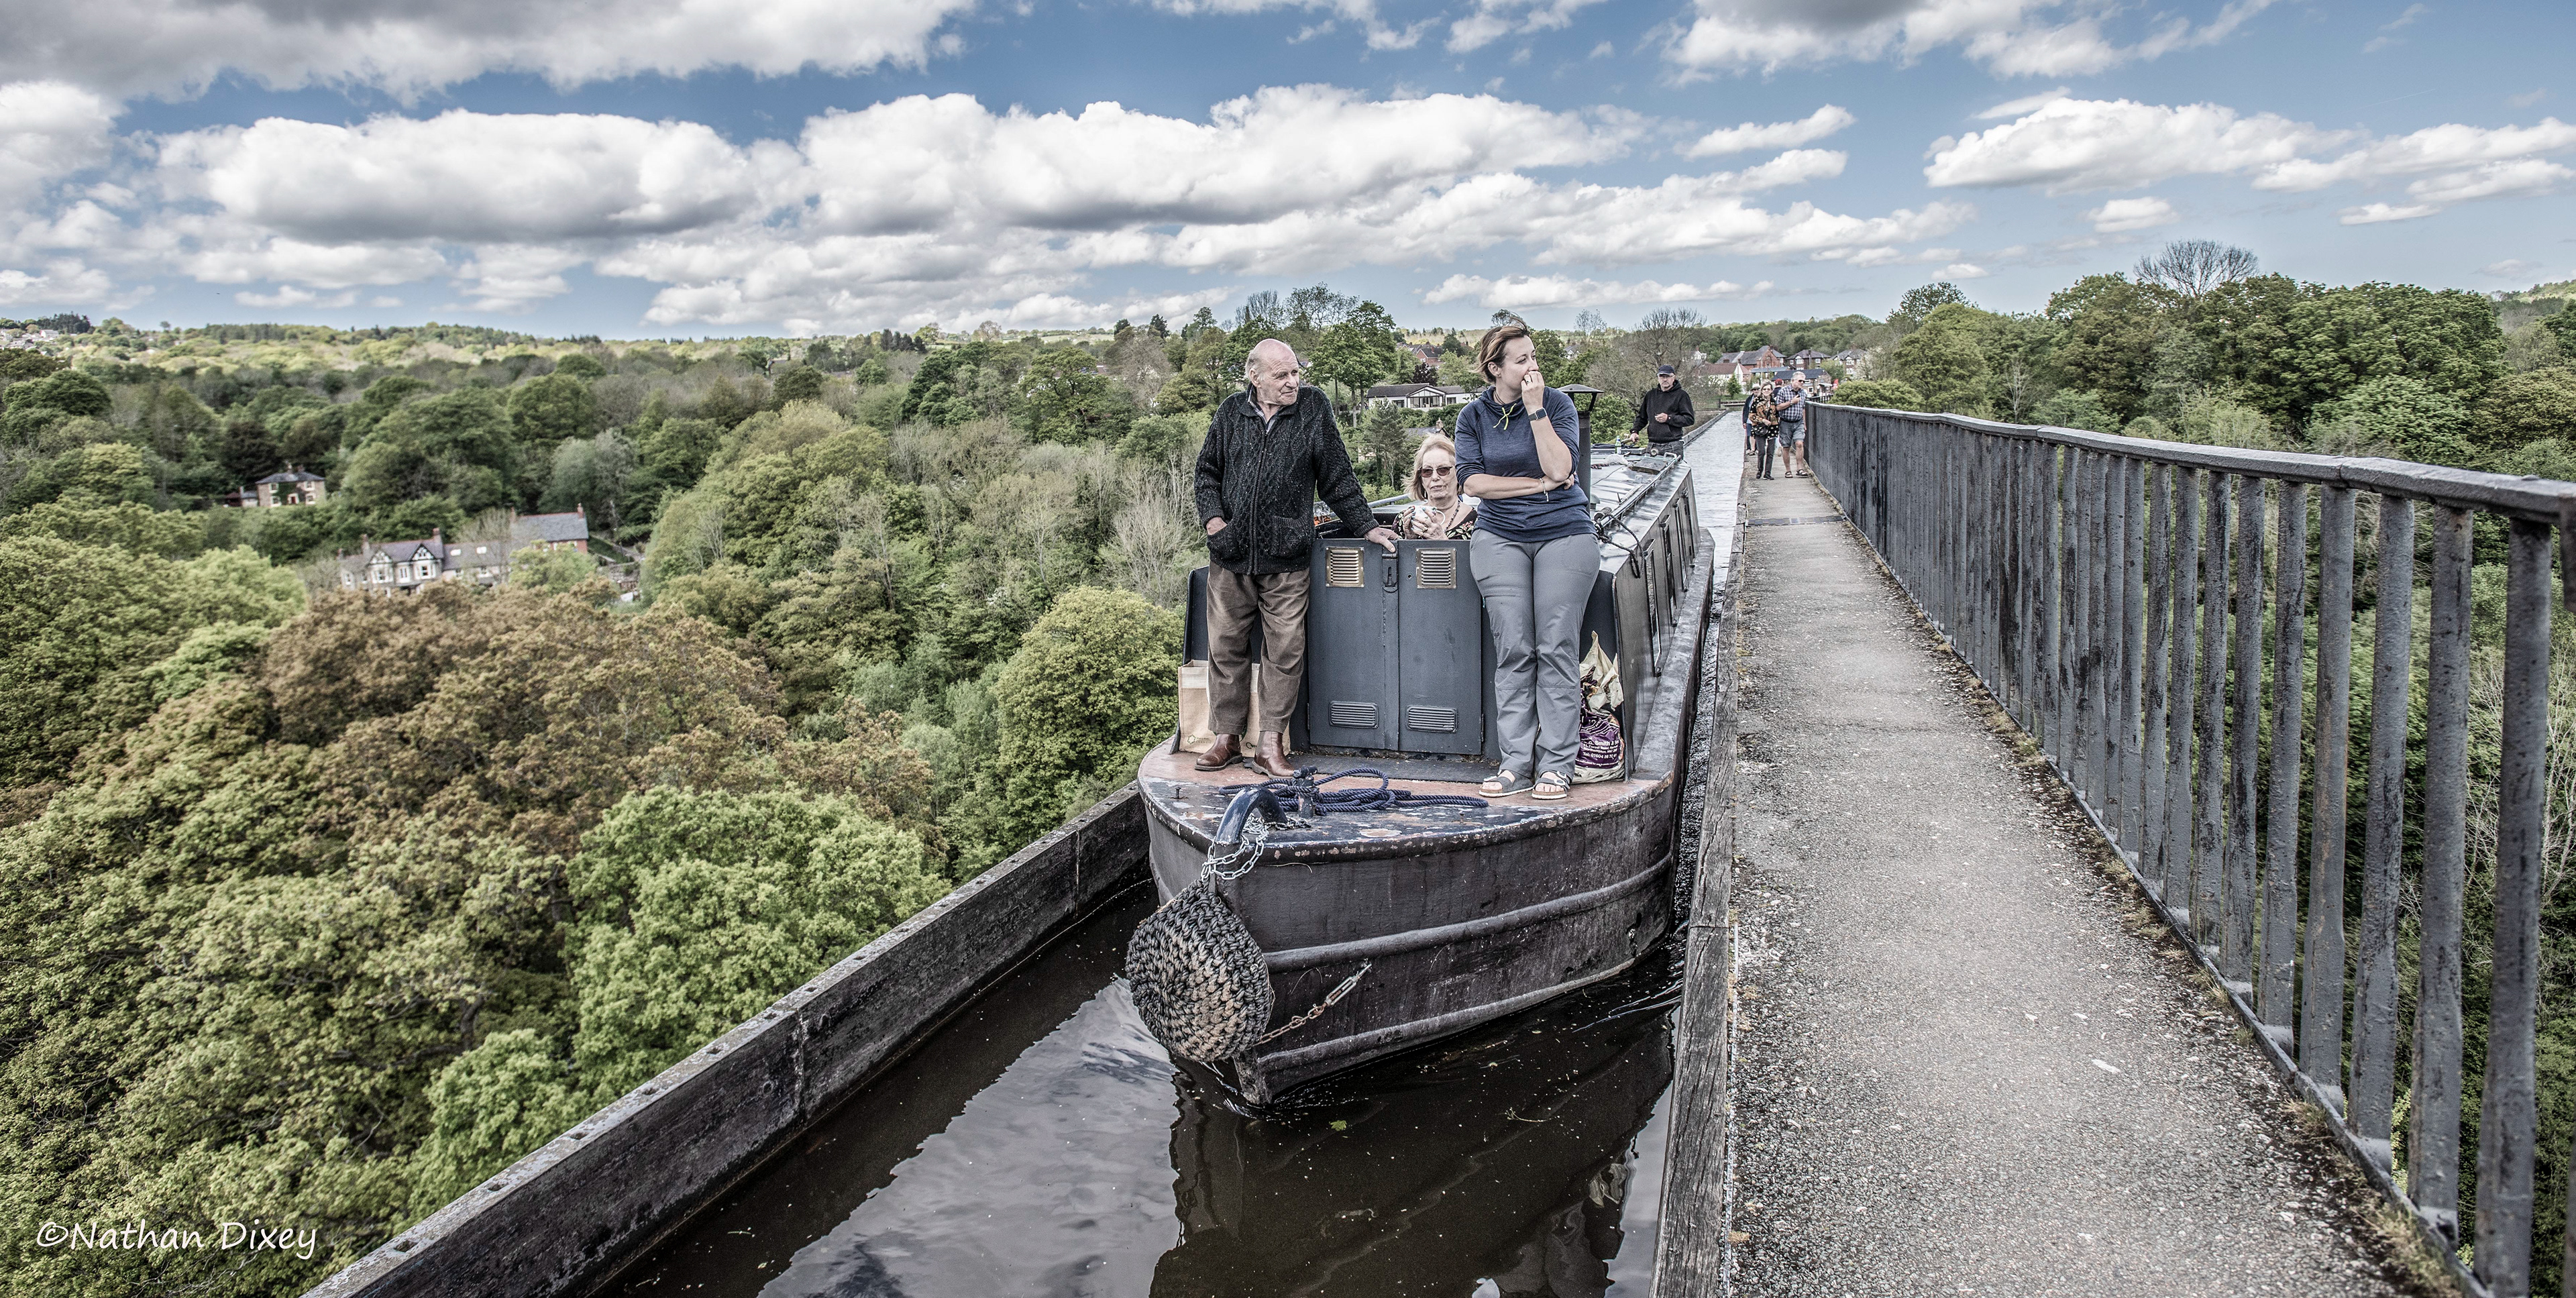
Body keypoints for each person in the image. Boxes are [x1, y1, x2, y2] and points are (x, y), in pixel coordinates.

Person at [1195, 338, 1399, 777]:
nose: (1293, 382)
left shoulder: (1313, 408)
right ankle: (1225, 739)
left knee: (1284, 652)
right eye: (1282, 375)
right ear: (1256, 378)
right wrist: (1214, 522)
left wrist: (1367, 525)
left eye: (1295, 373)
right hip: (1230, 558)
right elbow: (1207, 473)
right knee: (1225, 648)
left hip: (1287, 559)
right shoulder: (1231, 412)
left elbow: (1337, 477)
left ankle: (1271, 745)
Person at [1456, 324, 1599, 802]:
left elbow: (1561, 469)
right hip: (1500, 537)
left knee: (1555, 644)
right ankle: (1516, 760)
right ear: (1495, 368)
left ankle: (1556, 763)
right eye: (1521, 360)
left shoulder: (1556, 404)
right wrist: (1534, 486)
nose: (1533, 367)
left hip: (1564, 532)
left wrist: (1535, 410)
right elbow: (1473, 485)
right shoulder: (1473, 416)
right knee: (1515, 648)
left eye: (1533, 357)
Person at [1393, 434, 1477, 539]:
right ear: (1420, 478)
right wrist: (1409, 541)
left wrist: (1441, 540)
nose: (1435, 477)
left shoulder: (1477, 522)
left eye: (1443, 470)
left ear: (1458, 473)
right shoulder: (1405, 520)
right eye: (1427, 471)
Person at [1631, 364, 1697, 446]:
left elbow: (1689, 419)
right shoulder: (1650, 395)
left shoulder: (1682, 395)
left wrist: (1669, 418)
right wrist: (1635, 431)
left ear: (1674, 378)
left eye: (1668, 377)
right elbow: (1642, 417)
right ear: (1658, 378)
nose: (1665, 380)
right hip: (1652, 444)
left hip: (1673, 444)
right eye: (1662, 377)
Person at [1777, 375, 1811, 478]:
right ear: (1793, 381)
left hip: (1798, 422)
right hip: (1785, 423)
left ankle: (1800, 469)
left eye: (1803, 381)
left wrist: (1804, 423)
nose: (1802, 383)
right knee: (1786, 447)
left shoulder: (1803, 393)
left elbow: (1803, 409)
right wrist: (1791, 402)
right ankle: (1788, 471)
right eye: (1800, 381)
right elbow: (1778, 407)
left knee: (1800, 444)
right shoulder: (1783, 391)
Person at [1746, 384, 1781, 480]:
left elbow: (1777, 415)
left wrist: (1776, 424)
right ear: (1762, 390)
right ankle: (1760, 470)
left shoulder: (1774, 402)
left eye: (1768, 389)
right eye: (1764, 389)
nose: (1766, 391)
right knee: (1762, 451)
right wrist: (1762, 420)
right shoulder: (1756, 401)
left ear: (1771, 390)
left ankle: (1767, 473)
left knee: (1770, 452)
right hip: (1760, 428)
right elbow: (1751, 416)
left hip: (1772, 428)